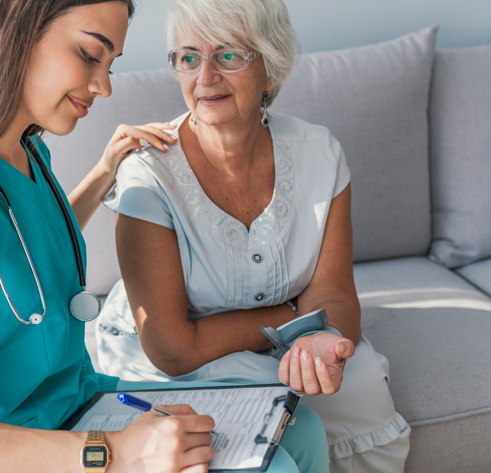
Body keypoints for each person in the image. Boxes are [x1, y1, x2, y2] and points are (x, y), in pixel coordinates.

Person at [0, 1, 328, 472]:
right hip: (5, 452)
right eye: (89, 53)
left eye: (111, 63)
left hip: (76, 406)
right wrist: (116, 453)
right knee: (276, 464)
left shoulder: (26, 155)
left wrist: (104, 169)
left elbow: (24, 255)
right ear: (14, 32)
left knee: (297, 427)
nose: (104, 87)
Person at [95, 0, 412, 471]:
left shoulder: (318, 153)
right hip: (173, 363)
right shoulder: (148, 175)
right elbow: (172, 348)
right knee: (282, 407)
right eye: (188, 57)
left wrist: (326, 336)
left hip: (277, 340)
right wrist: (292, 315)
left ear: (271, 65)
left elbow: (333, 292)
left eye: (229, 55)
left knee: (360, 383)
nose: (205, 76)